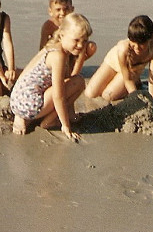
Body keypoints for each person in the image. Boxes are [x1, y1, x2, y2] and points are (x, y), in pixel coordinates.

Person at [11, 13, 93, 141]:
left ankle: (24, 117)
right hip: (29, 104)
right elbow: (58, 96)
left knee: (71, 81)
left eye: (84, 41)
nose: (81, 45)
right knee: (78, 82)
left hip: (18, 99)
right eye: (76, 40)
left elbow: (27, 72)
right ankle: (48, 121)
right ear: (62, 35)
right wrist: (66, 126)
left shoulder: (52, 46)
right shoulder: (58, 56)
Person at [84, 15, 153, 106]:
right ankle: (135, 82)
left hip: (131, 70)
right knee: (90, 94)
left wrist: (151, 100)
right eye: (133, 42)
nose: (137, 47)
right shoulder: (123, 49)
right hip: (114, 63)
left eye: (141, 43)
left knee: (107, 96)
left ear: (151, 38)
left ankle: (135, 81)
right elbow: (127, 79)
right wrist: (136, 96)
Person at [39, 0, 97, 76]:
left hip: (73, 51)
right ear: (50, 11)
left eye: (66, 9)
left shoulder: (76, 25)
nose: (62, 13)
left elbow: (82, 50)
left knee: (90, 46)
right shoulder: (49, 26)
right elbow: (42, 48)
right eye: (58, 10)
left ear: (72, 9)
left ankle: (72, 70)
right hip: (56, 53)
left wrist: (74, 74)